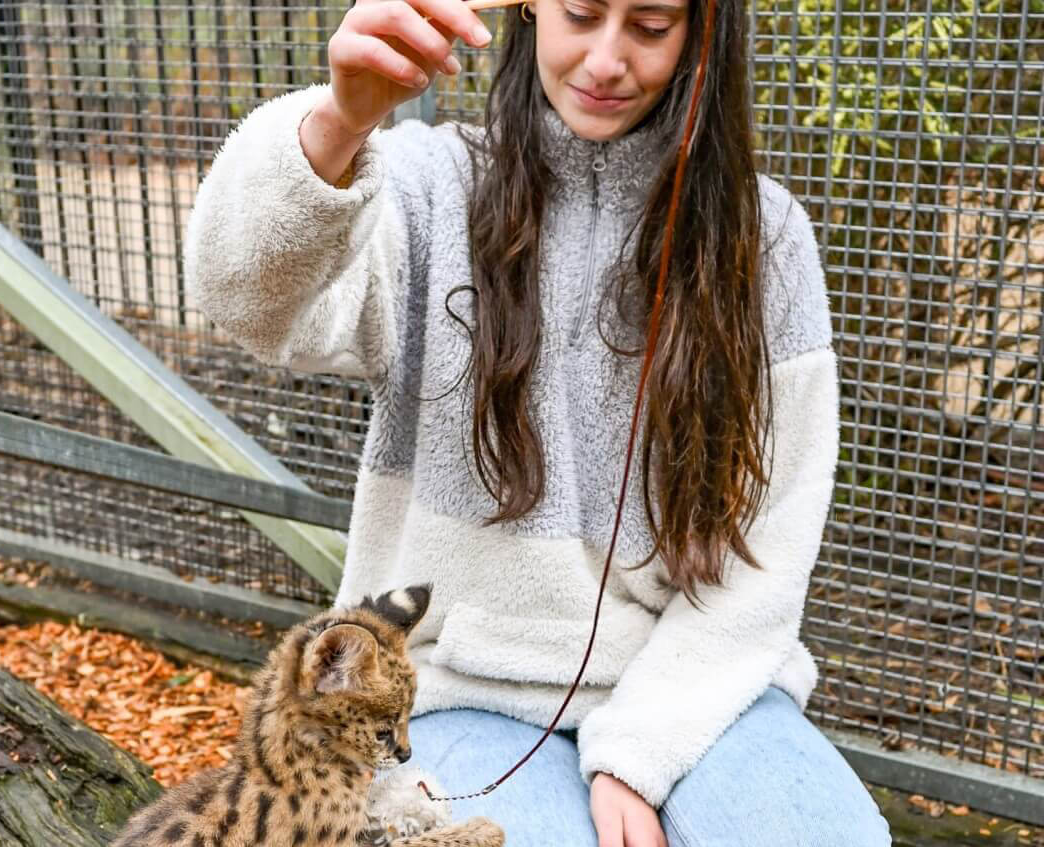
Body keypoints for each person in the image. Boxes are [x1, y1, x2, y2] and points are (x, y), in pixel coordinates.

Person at [182, 0, 893, 844]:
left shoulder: (765, 237)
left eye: (651, 26)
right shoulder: (429, 185)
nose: (604, 59)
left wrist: (638, 753)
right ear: (526, 7)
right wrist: (339, 122)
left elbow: (769, 553)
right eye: (582, 14)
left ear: (705, 33)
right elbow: (242, 302)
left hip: (702, 687)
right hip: (460, 685)